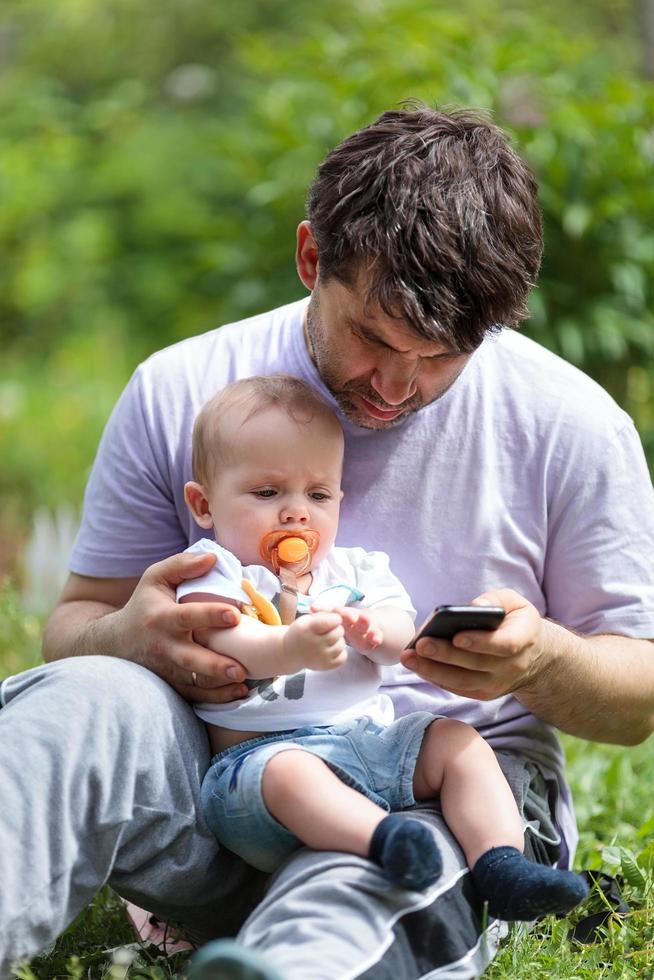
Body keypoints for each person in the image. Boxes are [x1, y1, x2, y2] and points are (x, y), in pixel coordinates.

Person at [0, 104, 652, 980]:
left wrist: (540, 660)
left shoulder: (569, 427)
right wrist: (121, 637)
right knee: (73, 702)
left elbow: (639, 695)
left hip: (432, 790)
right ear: (313, 258)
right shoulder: (179, 390)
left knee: (381, 870)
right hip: (222, 773)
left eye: (441, 356)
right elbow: (78, 618)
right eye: (373, 338)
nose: (396, 385)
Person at [177, 374, 588, 921]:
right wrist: (288, 646)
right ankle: (388, 845)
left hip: (370, 745)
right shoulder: (215, 569)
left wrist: (374, 631)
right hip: (256, 768)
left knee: (454, 740)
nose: (297, 512)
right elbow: (223, 637)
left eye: (318, 495)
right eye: (268, 492)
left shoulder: (355, 569)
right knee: (291, 774)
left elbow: (399, 633)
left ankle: (501, 864)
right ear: (204, 504)